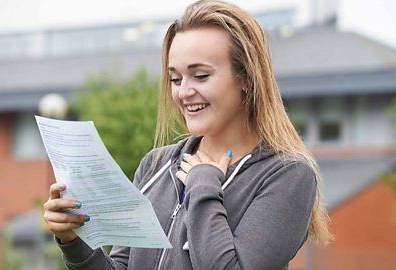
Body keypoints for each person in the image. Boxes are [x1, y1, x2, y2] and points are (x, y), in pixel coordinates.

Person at [42, 0, 332, 269]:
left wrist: (203, 184)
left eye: (201, 75)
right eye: (175, 78)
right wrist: (73, 240)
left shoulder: (287, 175)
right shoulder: (155, 165)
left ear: (245, 78)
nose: (183, 92)